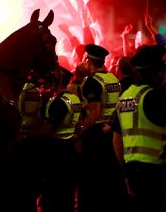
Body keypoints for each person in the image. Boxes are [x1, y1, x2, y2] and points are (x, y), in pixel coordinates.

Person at [112, 45, 166, 212]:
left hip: (132, 169)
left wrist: (126, 171)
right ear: (158, 72)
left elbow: (116, 139)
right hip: (156, 170)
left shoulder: (125, 96)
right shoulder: (157, 96)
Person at [76, 43, 129, 212]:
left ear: (87, 60)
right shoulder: (113, 78)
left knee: (92, 181)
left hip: (96, 136)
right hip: (111, 132)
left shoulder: (92, 82)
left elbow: (95, 113)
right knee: (111, 178)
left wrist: (79, 134)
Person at [39, 67, 83, 212]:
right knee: (67, 192)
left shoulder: (59, 103)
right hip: (71, 146)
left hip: (57, 151)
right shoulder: (74, 98)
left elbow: (47, 129)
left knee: (54, 194)